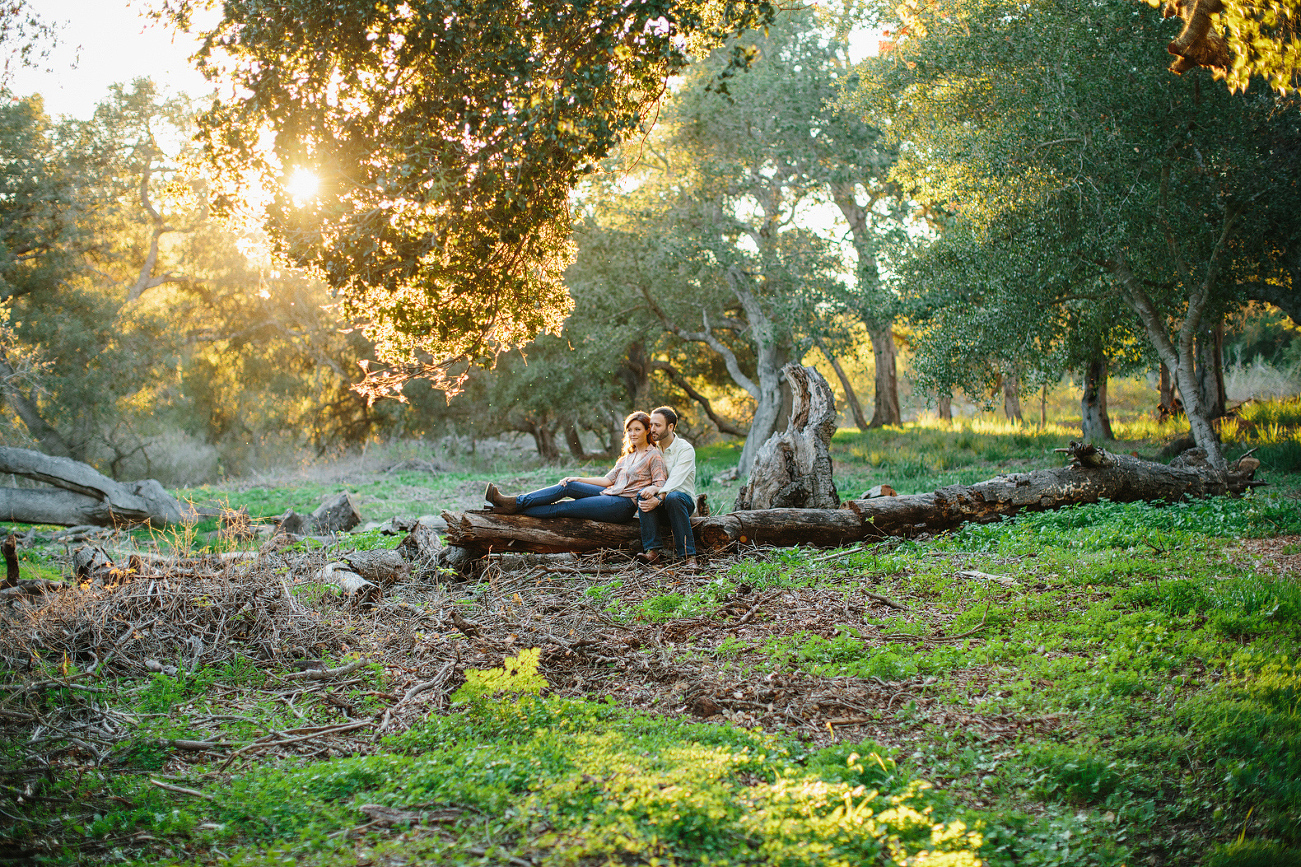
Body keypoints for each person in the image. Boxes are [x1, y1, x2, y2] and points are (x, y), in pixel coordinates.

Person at [484, 411, 666, 522]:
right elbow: (607, 480)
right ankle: (514, 503)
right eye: (629, 430)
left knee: (563, 508)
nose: (633, 433)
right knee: (567, 486)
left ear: (647, 430)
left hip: (623, 505)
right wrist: (577, 478)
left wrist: (651, 489)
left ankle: (513, 508)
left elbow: (660, 483)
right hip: (610, 493)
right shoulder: (628, 457)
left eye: (637, 429)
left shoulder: (654, 455)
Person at [635, 406, 698, 567]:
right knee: (643, 494)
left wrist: (659, 496)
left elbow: (675, 480)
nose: (652, 429)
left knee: (673, 497)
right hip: (659, 505)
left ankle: (689, 556)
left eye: (658, 425)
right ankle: (652, 552)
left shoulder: (685, 449)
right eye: (651, 425)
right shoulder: (652, 450)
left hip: (682, 503)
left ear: (670, 427)